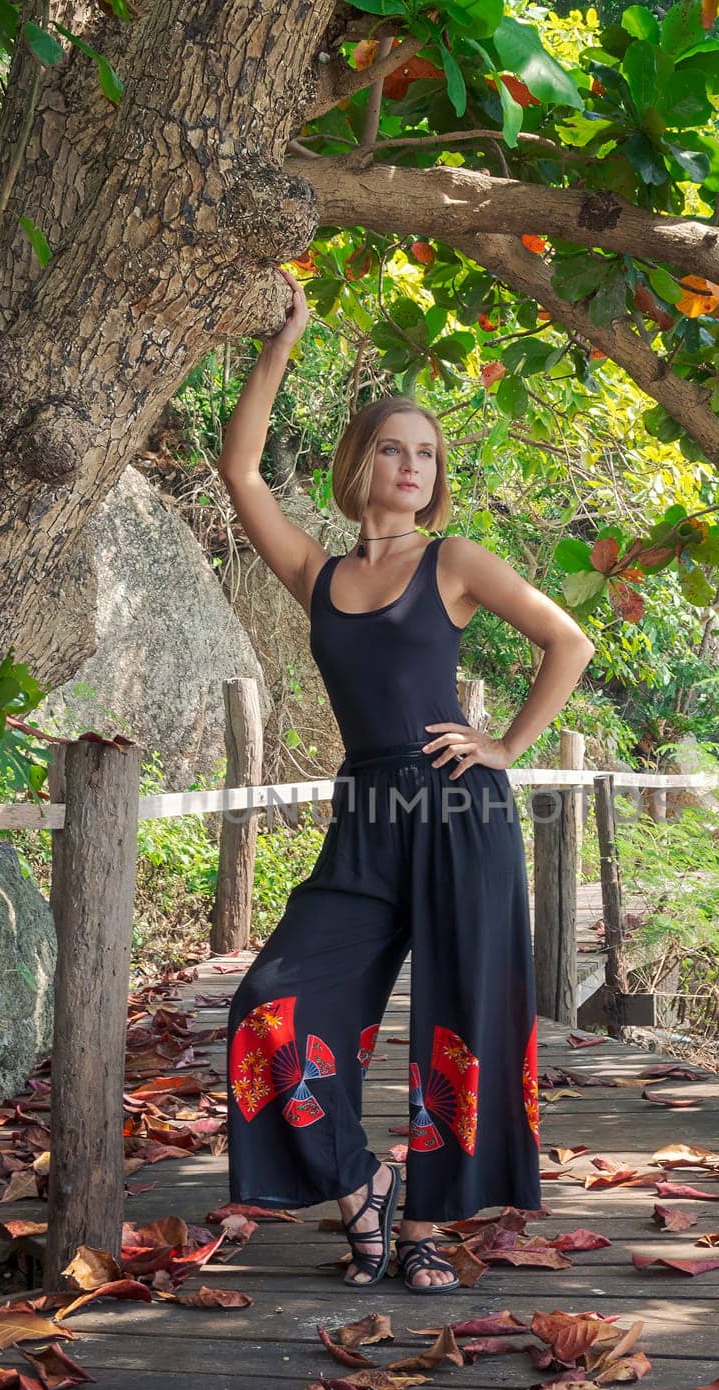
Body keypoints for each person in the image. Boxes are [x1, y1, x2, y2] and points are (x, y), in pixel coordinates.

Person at [216, 267, 595, 1294]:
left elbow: (569, 639)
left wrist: (506, 744)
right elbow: (242, 470)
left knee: (459, 1025)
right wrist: (281, 341)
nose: (414, 465)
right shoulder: (320, 575)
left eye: (428, 453)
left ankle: (427, 1225)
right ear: (360, 462)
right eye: (395, 446)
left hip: (459, 809)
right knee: (269, 1005)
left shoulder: (456, 561)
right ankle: (361, 1189)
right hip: (367, 821)